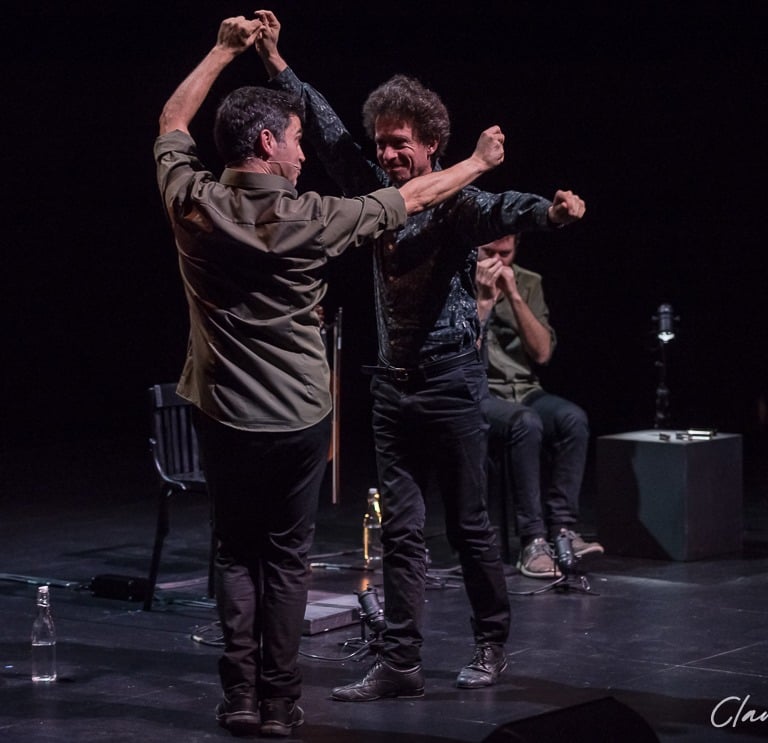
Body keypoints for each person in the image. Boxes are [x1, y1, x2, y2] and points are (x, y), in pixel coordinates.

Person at [155, 16, 505, 738]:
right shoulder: (313, 215)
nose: (304, 150)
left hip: (224, 412)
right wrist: (475, 163)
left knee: (234, 552)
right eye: (295, 137)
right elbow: (410, 200)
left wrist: (223, 50)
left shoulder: (191, 200)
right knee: (286, 560)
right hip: (298, 421)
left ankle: (241, 697)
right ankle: (281, 702)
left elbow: (172, 117)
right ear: (266, 144)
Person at [253, 10, 585, 701]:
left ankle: (491, 640)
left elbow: (504, 210)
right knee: (402, 532)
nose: (391, 155)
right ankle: (401, 661)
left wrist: (550, 215)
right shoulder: (379, 193)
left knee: (468, 526)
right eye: (385, 145)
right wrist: (276, 62)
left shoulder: (456, 204)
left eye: (402, 144)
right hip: (390, 389)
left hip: (452, 384)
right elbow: (326, 125)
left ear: (434, 143)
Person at [476, 233, 603, 578]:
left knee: (571, 419)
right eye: (490, 252)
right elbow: (461, 353)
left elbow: (543, 353)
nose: (499, 261)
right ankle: (532, 540)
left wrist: (514, 296)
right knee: (525, 423)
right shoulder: (458, 280)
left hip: (524, 389)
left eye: (507, 253)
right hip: (479, 393)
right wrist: (485, 302)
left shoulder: (529, 282)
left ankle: (562, 529)